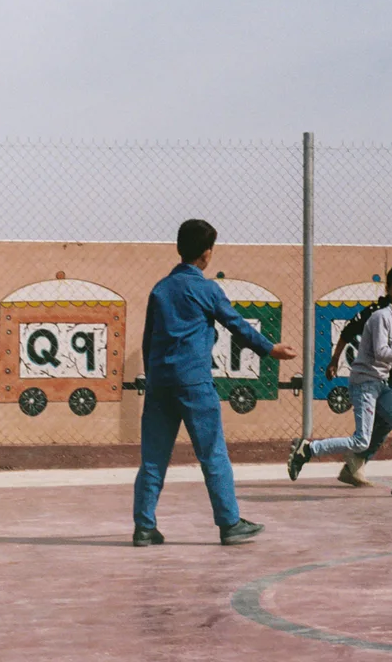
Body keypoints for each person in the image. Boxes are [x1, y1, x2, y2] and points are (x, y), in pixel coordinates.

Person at [133, 219, 296, 547]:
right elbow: (236, 324)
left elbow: (148, 340)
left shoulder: (160, 289)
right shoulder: (207, 289)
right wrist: (270, 349)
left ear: (179, 248)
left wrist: (154, 381)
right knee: (212, 454)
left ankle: (144, 527)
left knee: (153, 458)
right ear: (207, 255)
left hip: (160, 385)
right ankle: (229, 523)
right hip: (194, 383)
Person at [289, 280, 392, 497]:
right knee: (361, 440)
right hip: (365, 384)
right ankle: (308, 449)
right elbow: (381, 352)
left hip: (380, 384)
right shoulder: (381, 317)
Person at [325, 264, 392, 487]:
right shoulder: (377, 313)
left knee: (390, 422)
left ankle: (358, 463)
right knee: (374, 429)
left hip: (385, 378)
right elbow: (348, 331)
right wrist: (334, 360)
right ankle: (350, 459)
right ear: (388, 288)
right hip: (368, 376)